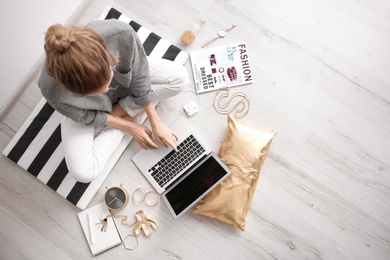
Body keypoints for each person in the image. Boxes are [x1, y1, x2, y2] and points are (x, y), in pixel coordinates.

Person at [38, 19, 189, 183]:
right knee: (82, 173)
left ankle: (120, 116)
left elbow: (139, 76)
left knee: (180, 79)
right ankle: (127, 115)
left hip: (128, 84)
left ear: (108, 58)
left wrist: (155, 121)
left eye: (107, 82)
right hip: (91, 112)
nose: (107, 90)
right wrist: (130, 126)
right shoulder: (51, 90)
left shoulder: (120, 33)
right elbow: (87, 116)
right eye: (97, 91)